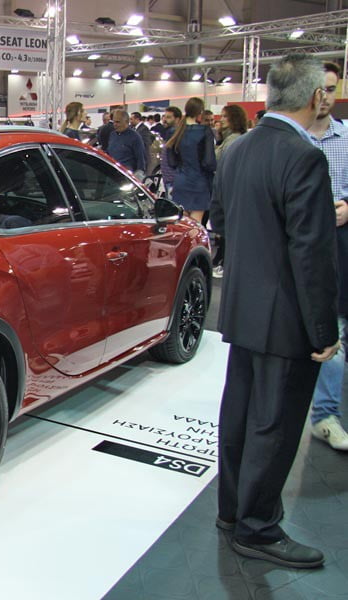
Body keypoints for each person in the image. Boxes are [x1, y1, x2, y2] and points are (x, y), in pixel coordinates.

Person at [209, 54, 338, 569]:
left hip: (242, 308)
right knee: (276, 424)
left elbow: (221, 221)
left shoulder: (237, 149)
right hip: (286, 317)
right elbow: (311, 252)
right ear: (316, 97)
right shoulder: (303, 156)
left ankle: (232, 511)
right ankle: (258, 528)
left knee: (240, 416)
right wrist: (323, 330)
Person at [306, 61, 348, 452]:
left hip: (338, 245)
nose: (324, 97)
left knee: (335, 328)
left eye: (331, 89)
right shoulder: (289, 139)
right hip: (294, 247)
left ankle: (325, 416)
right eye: (319, 88)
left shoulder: (347, 139)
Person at [210, 104, 248, 279]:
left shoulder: (234, 141)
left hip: (229, 190)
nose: (221, 119)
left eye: (225, 116)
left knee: (227, 229)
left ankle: (226, 264)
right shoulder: (228, 139)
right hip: (228, 189)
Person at [167, 97, 216, 222]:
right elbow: (209, 162)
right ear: (200, 112)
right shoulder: (205, 131)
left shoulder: (174, 131)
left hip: (180, 182)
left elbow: (171, 162)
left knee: (183, 225)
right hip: (199, 183)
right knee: (195, 226)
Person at [106, 109, 146, 178]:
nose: (115, 124)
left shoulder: (135, 137)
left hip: (126, 177)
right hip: (111, 175)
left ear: (127, 122)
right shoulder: (112, 135)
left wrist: (138, 176)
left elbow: (141, 160)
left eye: (118, 122)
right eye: (114, 122)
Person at [159, 106, 183, 194]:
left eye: (168, 117)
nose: (164, 120)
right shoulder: (169, 134)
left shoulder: (178, 136)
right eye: (164, 117)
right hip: (169, 181)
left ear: (177, 119)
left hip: (174, 182)